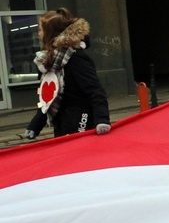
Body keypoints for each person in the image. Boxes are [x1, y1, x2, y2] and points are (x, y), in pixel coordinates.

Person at [23, 8, 111, 138]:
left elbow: (95, 90)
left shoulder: (76, 58)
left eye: (40, 30)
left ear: (50, 33)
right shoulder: (50, 62)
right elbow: (49, 98)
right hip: (62, 122)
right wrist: (35, 126)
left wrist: (102, 120)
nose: (39, 34)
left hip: (82, 118)